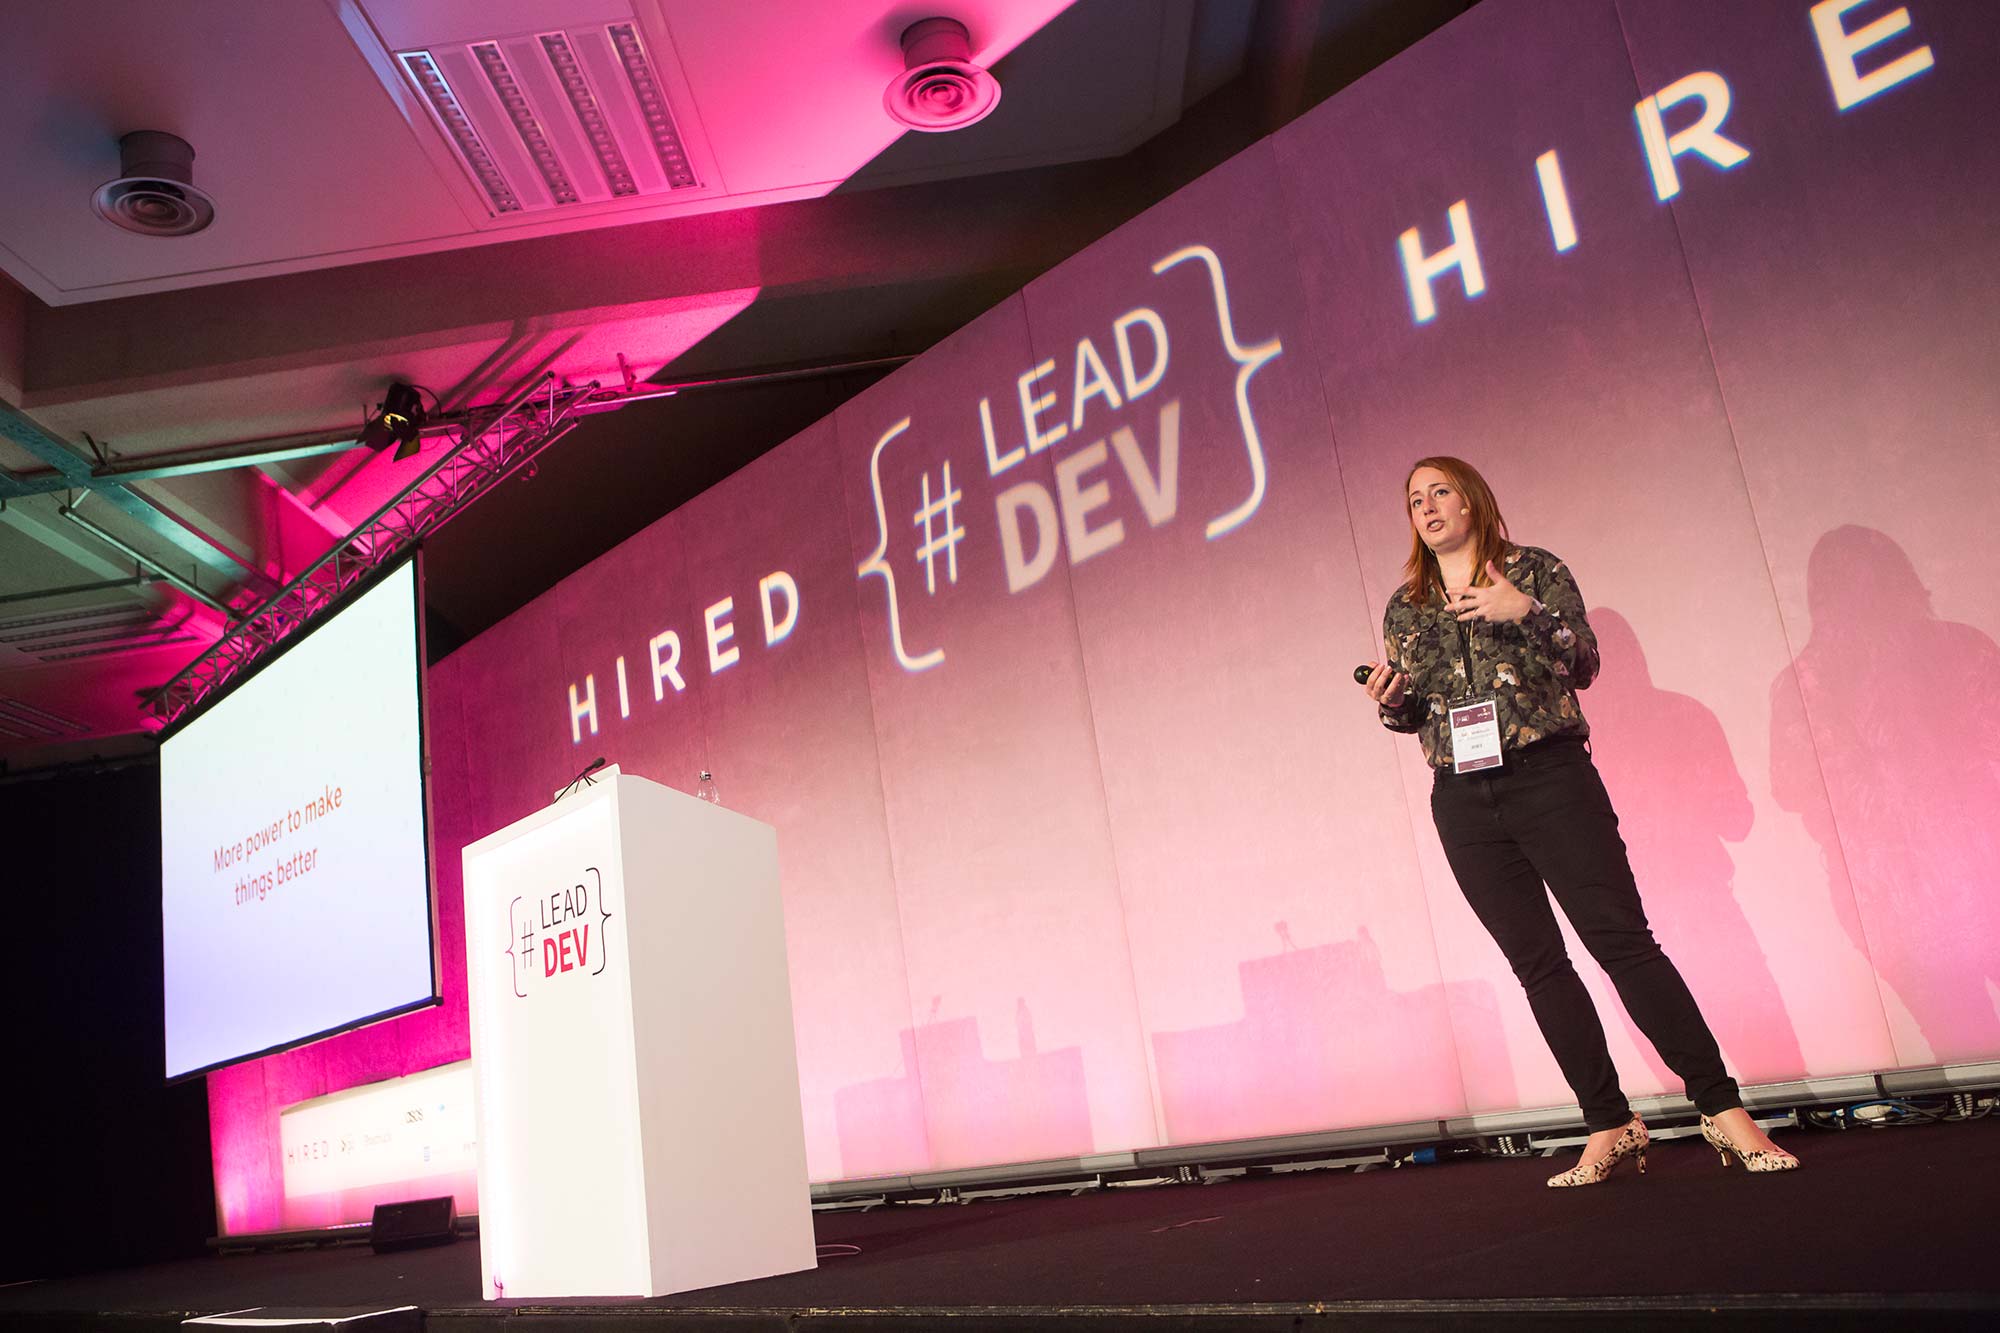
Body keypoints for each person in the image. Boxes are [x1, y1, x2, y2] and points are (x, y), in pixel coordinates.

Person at [1362, 456, 1799, 1185]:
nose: (1428, 506)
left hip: (1549, 778)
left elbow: (1586, 661)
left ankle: (1723, 1110)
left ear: (1472, 501)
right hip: (1463, 799)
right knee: (1537, 966)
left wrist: (1526, 614)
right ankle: (1608, 1122)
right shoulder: (1406, 607)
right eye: (1414, 498)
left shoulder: (1532, 571)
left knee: (1622, 944)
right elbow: (1413, 717)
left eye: (1440, 491)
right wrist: (1391, 699)